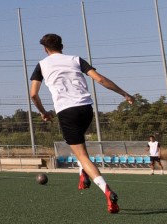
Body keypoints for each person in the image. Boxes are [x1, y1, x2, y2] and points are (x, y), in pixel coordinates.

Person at [29, 33, 133, 214]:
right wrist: (124, 94)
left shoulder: (42, 65)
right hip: (86, 109)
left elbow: (33, 94)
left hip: (66, 111)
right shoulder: (75, 59)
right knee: (79, 147)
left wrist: (44, 112)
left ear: (45, 49)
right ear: (62, 46)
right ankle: (82, 173)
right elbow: (100, 79)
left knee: (82, 155)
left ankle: (107, 192)